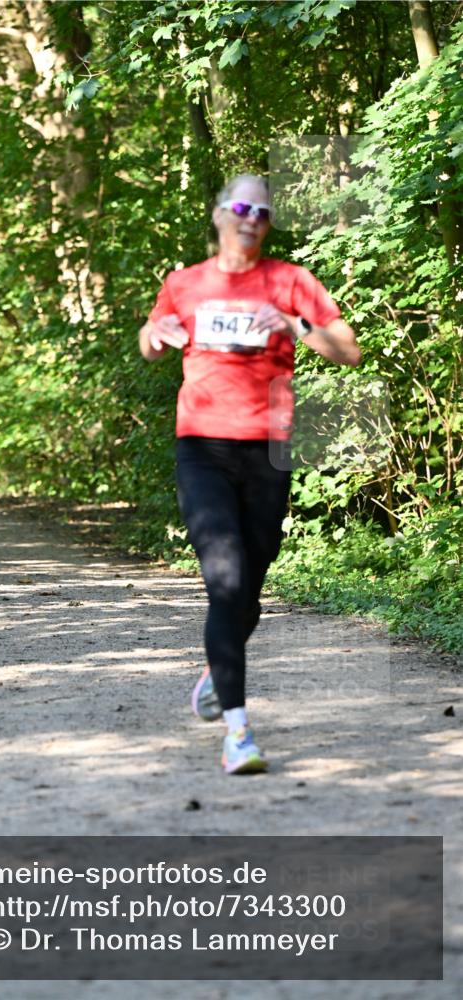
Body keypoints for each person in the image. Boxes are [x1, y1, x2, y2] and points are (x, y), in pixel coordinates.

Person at [139, 173, 360, 775]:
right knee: (226, 580)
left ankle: (219, 663)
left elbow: (349, 348)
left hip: (269, 450)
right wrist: (154, 336)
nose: (251, 218)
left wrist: (294, 326)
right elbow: (152, 337)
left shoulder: (290, 281)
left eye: (262, 212)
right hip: (202, 448)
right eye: (241, 207)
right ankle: (238, 732)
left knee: (250, 589)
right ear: (218, 215)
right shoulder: (184, 282)